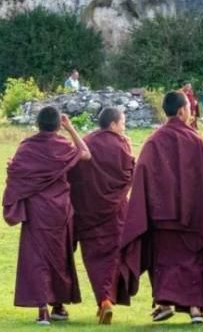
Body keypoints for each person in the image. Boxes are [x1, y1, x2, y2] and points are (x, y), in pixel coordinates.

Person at [117, 91, 203, 325]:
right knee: (192, 261)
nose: (191, 112)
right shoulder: (195, 140)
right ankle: (195, 310)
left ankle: (165, 303)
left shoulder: (154, 140)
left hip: (162, 215)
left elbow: (142, 172)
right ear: (181, 111)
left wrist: (148, 207)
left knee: (164, 261)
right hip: (192, 216)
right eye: (189, 107)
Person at [3, 106, 91, 325]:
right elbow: (86, 153)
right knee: (59, 256)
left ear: (38, 124)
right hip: (60, 210)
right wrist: (70, 129)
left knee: (37, 258)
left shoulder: (27, 147)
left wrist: (11, 169)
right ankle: (58, 305)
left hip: (36, 211)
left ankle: (43, 309)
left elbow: (17, 173)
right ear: (58, 125)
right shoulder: (62, 146)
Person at [67, 106, 135, 325]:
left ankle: (103, 300)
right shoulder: (122, 144)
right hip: (115, 213)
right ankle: (107, 300)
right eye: (123, 123)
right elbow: (129, 174)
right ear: (113, 124)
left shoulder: (86, 140)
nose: (124, 127)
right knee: (113, 256)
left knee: (94, 258)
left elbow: (74, 173)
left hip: (88, 213)